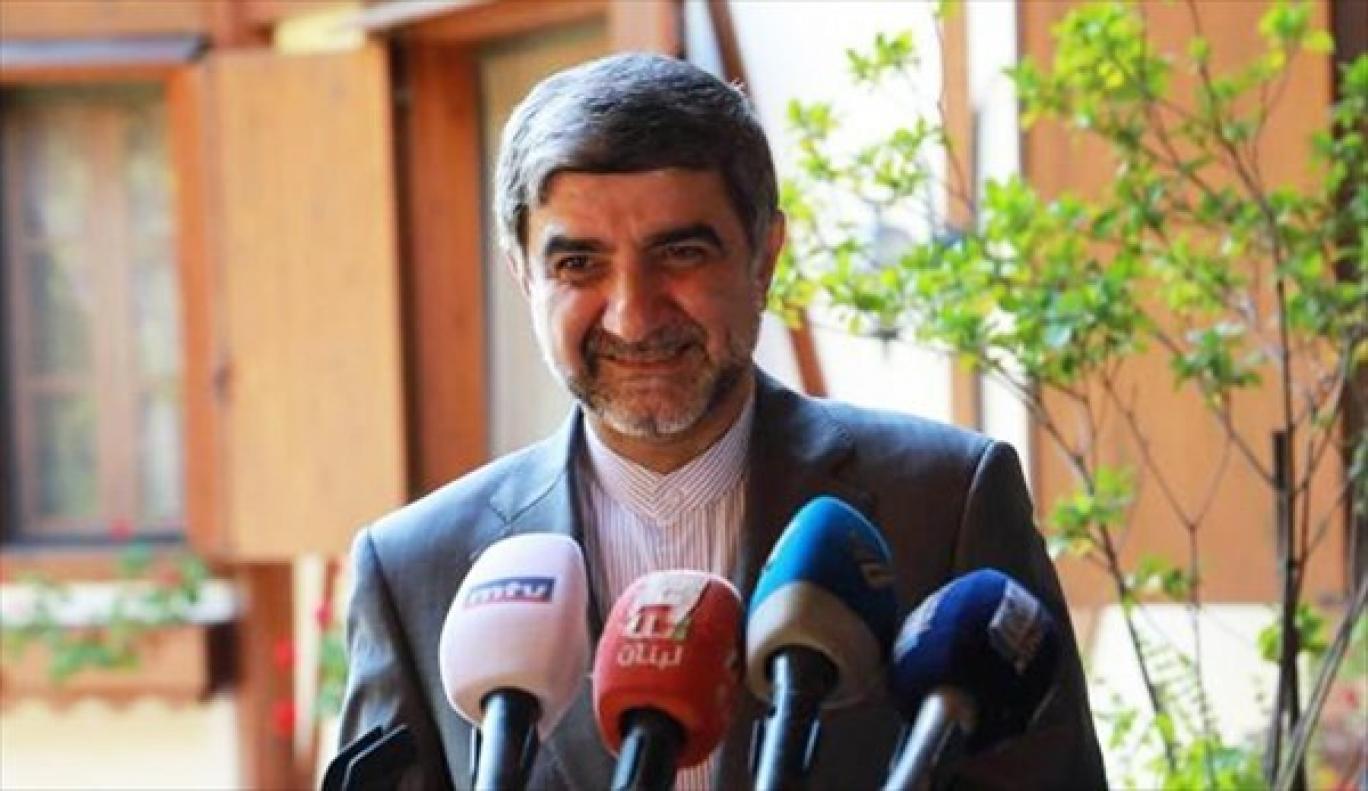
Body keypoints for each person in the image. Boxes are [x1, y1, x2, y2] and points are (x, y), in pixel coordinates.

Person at [340, 52, 1107, 790]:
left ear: (764, 256)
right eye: (579, 264)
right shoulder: (413, 571)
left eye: (680, 252)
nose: (633, 315)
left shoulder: (947, 503)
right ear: (523, 275)